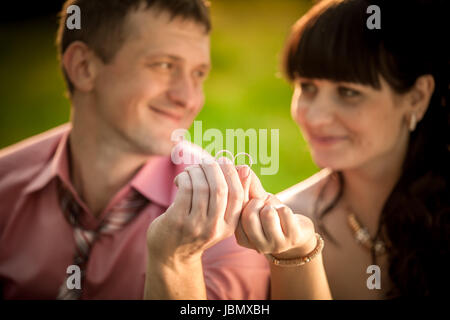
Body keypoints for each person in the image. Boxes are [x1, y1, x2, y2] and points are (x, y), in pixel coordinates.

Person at [0, 0, 271, 299]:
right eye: (165, 65)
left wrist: (177, 263)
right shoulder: (5, 186)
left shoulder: (228, 214)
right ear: (83, 67)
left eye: (198, 74)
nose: (189, 98)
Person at [231, 0, 449, 299]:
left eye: (349, 92)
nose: (317, 117)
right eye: (307, 87)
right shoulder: (280, 225)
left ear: (416, 96)